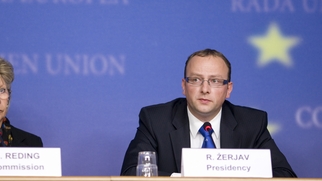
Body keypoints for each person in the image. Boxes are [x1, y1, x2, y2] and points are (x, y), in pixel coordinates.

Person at [120, 48, 296, 177]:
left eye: (215, 81)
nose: (205, 89)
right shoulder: (155, 120)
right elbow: (131, 174)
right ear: (184, 86)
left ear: (228, 89)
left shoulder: (252, 123)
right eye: (196, 80)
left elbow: (285, 175)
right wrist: (184, 178)